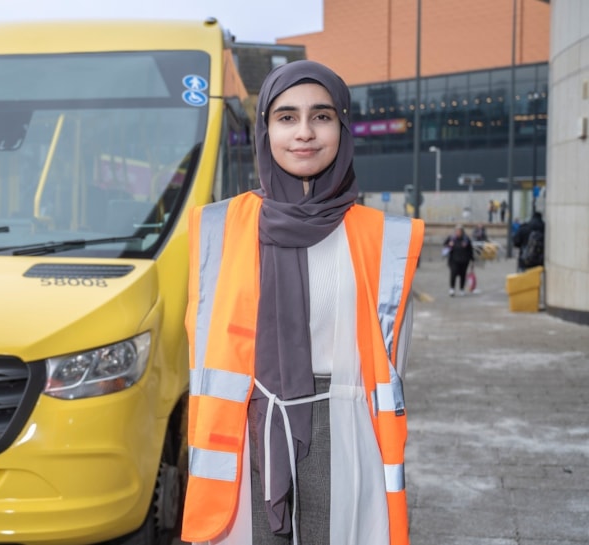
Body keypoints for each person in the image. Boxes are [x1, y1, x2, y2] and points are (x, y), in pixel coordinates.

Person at [182, 60, 423, 545]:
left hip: (345, 432)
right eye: (287, 117)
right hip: (246, 431)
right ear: (264, 128)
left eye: (322, 116)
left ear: (343, 126)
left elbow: (394, 360)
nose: (305, 133)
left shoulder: (382, 237)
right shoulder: (218, 226)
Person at [443, 225, 474, 296]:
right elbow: (445, 244)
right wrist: (449, 244)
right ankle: (452, 289)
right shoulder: (451, 238)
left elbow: (470, 250)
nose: (458, 233)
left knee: (463, 275)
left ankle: (461, 289)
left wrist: (472, 260)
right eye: (457, 231)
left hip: (464, 260)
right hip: (453, 260)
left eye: (459, 231)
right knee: (453, 273)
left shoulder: (466, 239)